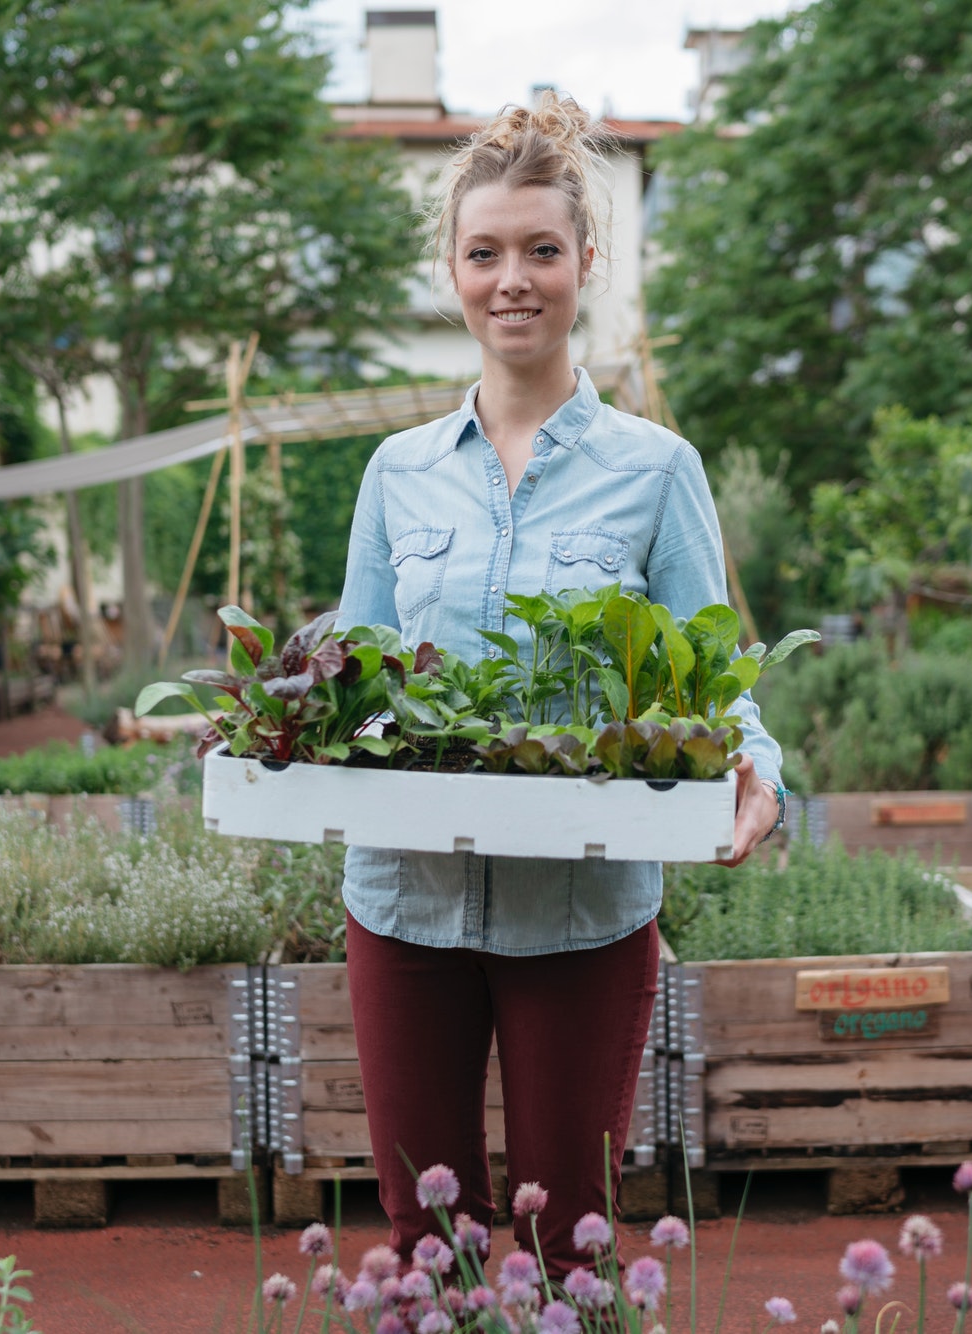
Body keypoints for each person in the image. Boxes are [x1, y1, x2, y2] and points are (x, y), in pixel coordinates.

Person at [334, 93, 783, 1277]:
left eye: (541, 249)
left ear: (587, 261)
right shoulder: (397, 474)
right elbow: (359, 674)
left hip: (579, 914)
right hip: (405, 905)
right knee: (422, 1243)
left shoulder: (654, 470)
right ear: (452, 269)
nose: (512, 279)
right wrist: (270, 742)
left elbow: (711, 673)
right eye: (484, 253)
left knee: (566, 1240)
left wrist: (753, 768)